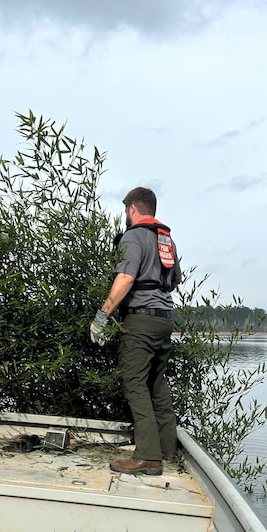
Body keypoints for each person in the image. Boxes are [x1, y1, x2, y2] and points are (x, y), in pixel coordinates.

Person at [90, 187, 182, 475]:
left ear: (132, 209)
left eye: (126, 211)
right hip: (164, 318)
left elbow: (126, 278)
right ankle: (168, 448)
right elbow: (174, 280)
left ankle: (148, 457)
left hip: (140, 319)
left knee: (135, 383)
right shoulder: (166, 239)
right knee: (156, 382)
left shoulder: (133, 236)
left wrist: (102, 315)